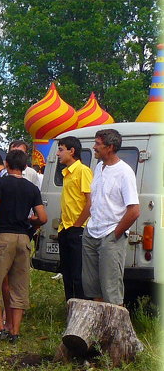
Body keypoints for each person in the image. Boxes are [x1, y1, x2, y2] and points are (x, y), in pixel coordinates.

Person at [0, 149, 47, 342]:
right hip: (23, 239)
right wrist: (29, 221)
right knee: (19, 286)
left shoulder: (0, 183)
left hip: (2, 237)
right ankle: (15, 332)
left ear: (7, 165)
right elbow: (42, 217)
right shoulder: (32, 188)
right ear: (25, 167)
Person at [82, 128, 140, 306]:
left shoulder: (124, 172)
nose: (94, 147)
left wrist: (115, 234)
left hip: (110, 235)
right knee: (93, 288)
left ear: (110, 147)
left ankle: (116, 332)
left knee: (111, 290)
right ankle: (98, 329)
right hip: (92, 233)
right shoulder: (99, 167)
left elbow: (134, 210)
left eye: (98, 144)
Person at [56, 136, 93, 301]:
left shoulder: (83, 170)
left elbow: (90, 201)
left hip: (77, 228)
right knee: (67, 273)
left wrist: (77, 225)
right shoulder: (66, 173)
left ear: (72, 151)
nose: (58, 153)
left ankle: (82, 309)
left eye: (61, 149)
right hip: (65, 228)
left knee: (78, 274)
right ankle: (70, 310)